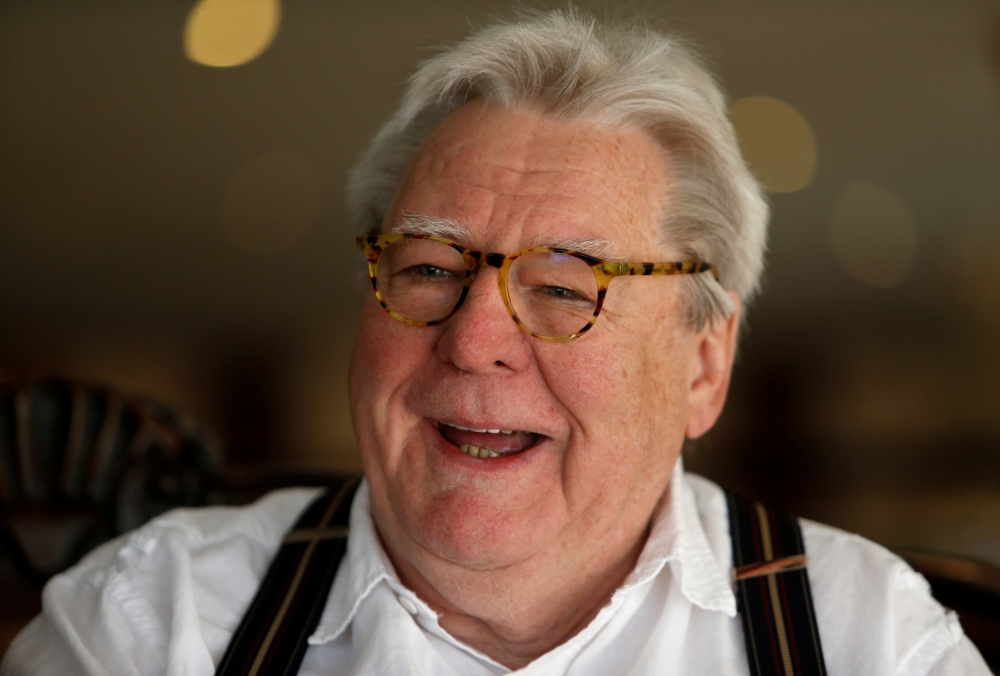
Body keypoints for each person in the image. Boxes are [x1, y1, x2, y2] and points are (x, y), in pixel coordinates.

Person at [1, 9, 990, 676]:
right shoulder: (150, 626)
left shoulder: (872, 641)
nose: (474, 340)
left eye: (565, 287)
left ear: (702, 361)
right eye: (430, 268)